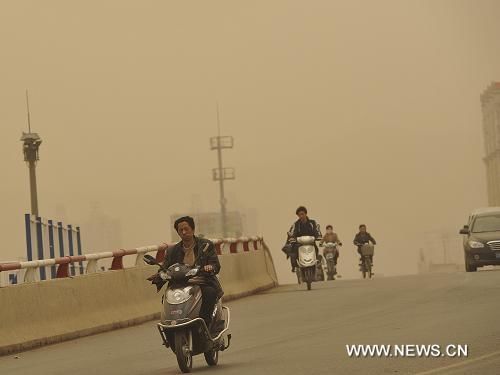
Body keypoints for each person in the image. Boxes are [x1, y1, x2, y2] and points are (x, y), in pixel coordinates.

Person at [151, 216, 223, 329]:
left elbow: (215, 265)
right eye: (181, 230)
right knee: (167, 298)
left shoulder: (206, 245)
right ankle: (169, 329)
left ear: (193, 229)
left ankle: (205, 326)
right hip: (179, 284)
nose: (184, 232)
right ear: (178, 233)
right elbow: (165, 267)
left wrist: (210, 267)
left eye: (186, 229)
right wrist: (159, 275)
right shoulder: (172, 251)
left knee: (210, 293)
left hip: (201, 282)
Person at [286, 206, 322, 272]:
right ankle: (295, 265)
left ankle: (317, 262)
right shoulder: (296, 224)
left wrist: (318, 236)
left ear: (306, 214)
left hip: (310, 242)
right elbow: (292, 232)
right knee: (293, 251)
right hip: (299, 243)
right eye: (299, 215)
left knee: (316, 249)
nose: (301, 216)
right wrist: (291, 238)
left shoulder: (312, 222)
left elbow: (317, 230)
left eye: (302, 214)